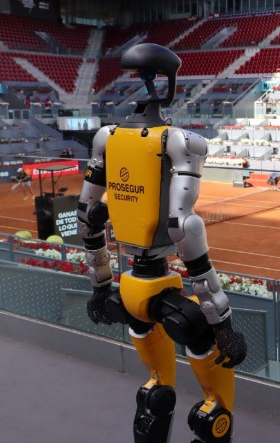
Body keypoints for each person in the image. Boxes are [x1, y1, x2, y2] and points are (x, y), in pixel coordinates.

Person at [77, 43, 246, 443]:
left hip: (128, 291)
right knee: (202, 344)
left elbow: (87, 214)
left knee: (155, 389)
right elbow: (183, 226)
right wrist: (224, 327)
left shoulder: (107, 136)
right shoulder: (179, 140)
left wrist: (101, 288)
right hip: (163, 295)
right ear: (168, 81)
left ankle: (157, 388)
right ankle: (215, 409)